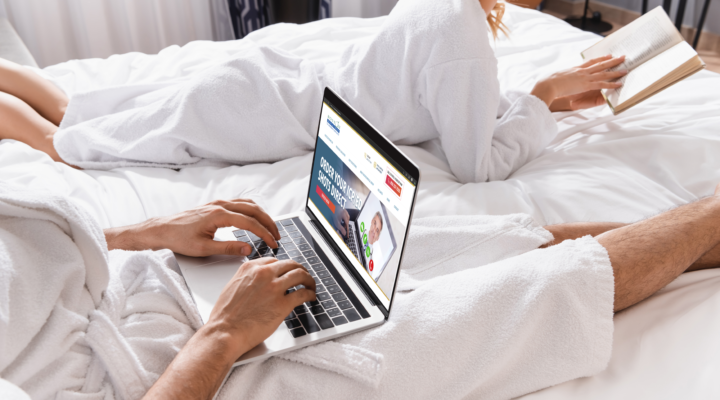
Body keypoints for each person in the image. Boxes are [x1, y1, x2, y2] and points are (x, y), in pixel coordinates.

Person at [75, 184, 719, 399]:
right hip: (193, 372)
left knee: (499, 238)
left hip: (149, 276)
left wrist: (137, 233)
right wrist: (223, 334)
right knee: (535, 292)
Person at [0, 0, 627, 180]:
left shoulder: (442, 8)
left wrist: (528, 95)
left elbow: (439, 89)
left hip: (255, 84)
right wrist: (539, 102)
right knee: (68, 145)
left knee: (71, 103)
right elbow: (475, 166)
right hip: (247, 114)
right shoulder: (464, 39)